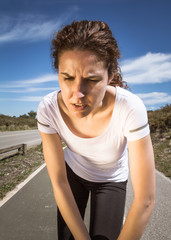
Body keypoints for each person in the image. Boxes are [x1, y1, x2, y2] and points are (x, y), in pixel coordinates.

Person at [37, 20, 155, 240]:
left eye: (91, 80)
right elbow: (59, 183)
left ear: (110, 76)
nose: (77, 94)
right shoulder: (48, 109)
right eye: (68, 78)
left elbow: (145, 200)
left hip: (111, 181)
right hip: (72, 176)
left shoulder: (130, 108)